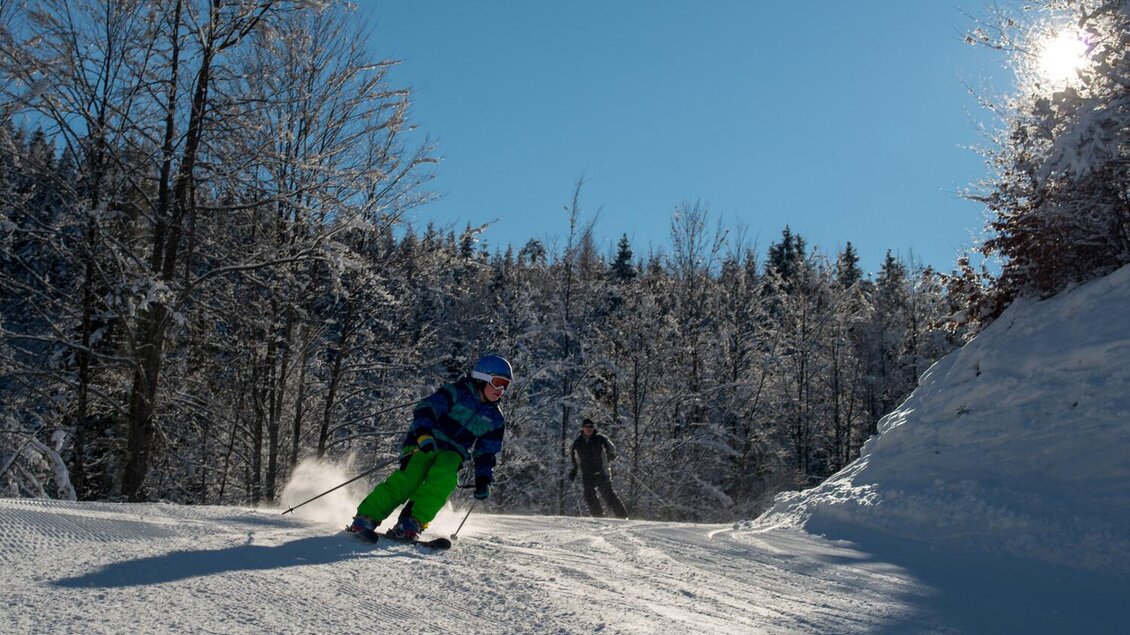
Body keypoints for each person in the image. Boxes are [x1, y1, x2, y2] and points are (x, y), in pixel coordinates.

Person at [347, 354, 512, 540]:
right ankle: (366, 517)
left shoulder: (496, 419)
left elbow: (487, 451)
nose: (501, 390)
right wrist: (423, 433)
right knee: (409, 479)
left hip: (454, 451)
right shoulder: (457, 392)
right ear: (482, 378)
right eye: (498, 382)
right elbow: (426, 408)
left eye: (505, 385)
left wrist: (483, 478)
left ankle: (411, 522)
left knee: (445, 479)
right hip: (426, 442)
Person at [569, 417, 628, 519]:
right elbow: (575, 458)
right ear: (582, 428)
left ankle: (622, 516)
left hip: (601, 472)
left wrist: (611, 454)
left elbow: (611, 447)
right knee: (589, 496)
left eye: (591, 427)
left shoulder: (600, 438)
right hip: (587, 474)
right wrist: (574, 469)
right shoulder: (577, 442)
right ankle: (598, 516)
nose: (589, 429)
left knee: (608, 495)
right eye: (587, 427)